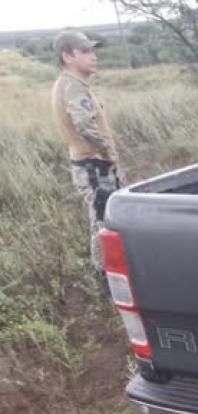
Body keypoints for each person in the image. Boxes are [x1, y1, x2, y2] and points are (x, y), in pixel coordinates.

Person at [51, 30, 121, 272]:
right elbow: (84, 125)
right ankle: (106, 274)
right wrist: (106, 152)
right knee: (103, 220)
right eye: (85, 51)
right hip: (93, 165)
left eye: (93, 50)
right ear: (68, 56)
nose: (94, 56)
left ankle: (111, 271)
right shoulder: (73, 87)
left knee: (106, 217)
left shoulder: (72, 84)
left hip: (92, 163)